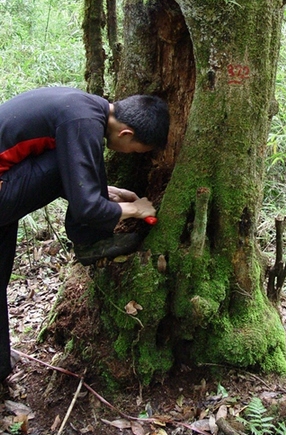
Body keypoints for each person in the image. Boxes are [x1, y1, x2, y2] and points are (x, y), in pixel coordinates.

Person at [0, 86, 170, 383]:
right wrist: (135, 209)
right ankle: (89, 241)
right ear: (126, 134)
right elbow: (85, 204)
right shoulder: (82, 122)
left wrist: (104, 192)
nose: (130, 155)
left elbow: (58, 167)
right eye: (135, 151)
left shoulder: (83, 108)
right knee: (79, 168)